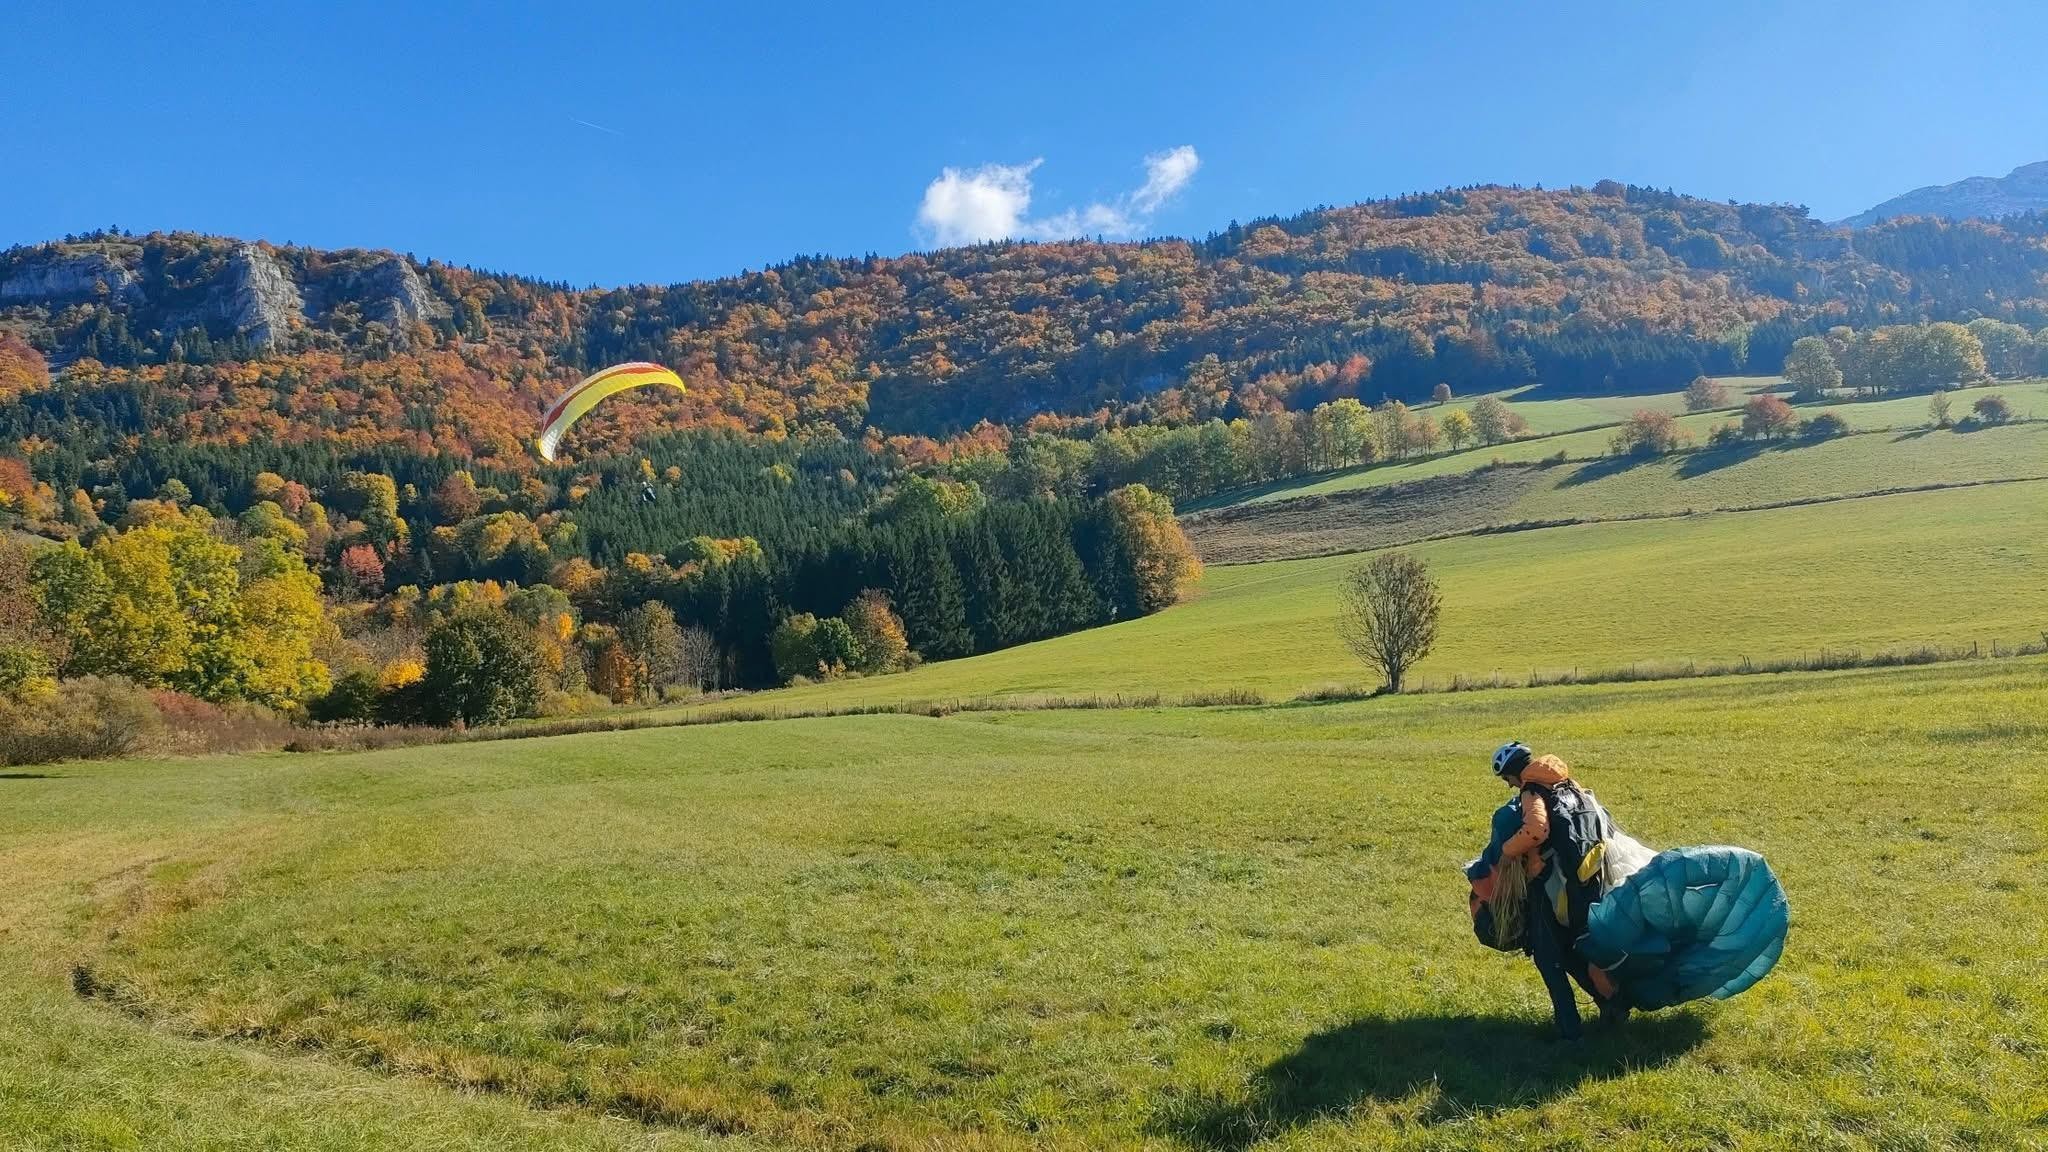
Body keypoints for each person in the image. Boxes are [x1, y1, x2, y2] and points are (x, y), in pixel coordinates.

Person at [1487, 741, 1629, 1039]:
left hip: (1555, 883)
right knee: (1574, 948)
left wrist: (1508, 850)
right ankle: (1612, 1007)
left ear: (1513, 772)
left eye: (1507, 779)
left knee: (1548, 954)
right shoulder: (1566, 782)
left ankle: (1570, 1031)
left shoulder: (1532, 790)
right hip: (1589, 875)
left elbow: (1536, 830)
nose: (1510, 786)